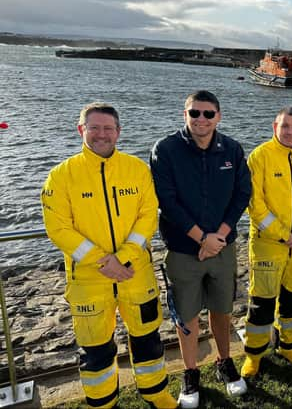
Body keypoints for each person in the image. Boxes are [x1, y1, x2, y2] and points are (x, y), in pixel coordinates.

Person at [41, 103, 177, 409]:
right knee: (96, 349)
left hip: (135, 274)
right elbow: (58, 229)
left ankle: (157, 394)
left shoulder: (137, 169)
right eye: (95, 127)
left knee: (148, 339)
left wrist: (125, 257)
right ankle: (103, 404)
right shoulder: (61, 176)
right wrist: (105, 261)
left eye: (108, 128)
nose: (102, 134)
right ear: (81, 130)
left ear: (118, 132)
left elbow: (148, 216)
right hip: (90, 280)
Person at [150, 90, 251, 406]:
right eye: (195, 113)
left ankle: (224, 361)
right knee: (187, 316)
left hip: (222, 247)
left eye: (208, 114)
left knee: (222, 310)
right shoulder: (165, 150)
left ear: (218, 116)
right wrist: (200, 238)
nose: (201, 119)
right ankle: (191, 373)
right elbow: (167, 201)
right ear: (185, 114)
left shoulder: (232, 150)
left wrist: (218, 236)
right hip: (183, 250)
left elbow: (241, 194)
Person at [241, 107, 292, 377]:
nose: (290, 131)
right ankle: (254, 355)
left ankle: (288, 346)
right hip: (268, 244)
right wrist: (283, 234)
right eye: (285, 126)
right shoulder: (260, 157)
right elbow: (255, 204)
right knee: (261, 304)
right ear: (274, 126)